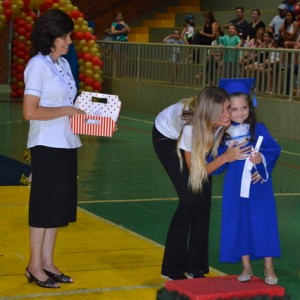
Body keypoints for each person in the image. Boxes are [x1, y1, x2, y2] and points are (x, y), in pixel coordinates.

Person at [152, 87, 251, 280]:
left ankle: (195, 266)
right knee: (189, 201)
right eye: (222, 111)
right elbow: (196, 171)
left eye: (228, 108)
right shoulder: (192, 128)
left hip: (199, 136)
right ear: (209, 112)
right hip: (167, 137)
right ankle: (172, 268)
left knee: (203, 201)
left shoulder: (224, 119)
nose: (227, 114)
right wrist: (225, 158)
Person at [22, 9, 86, 288]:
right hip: (46, 145)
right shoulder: (37, 65)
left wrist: (99, 121)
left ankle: (47, 262)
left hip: (67, 142)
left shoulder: (62, 64)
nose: (69, 41)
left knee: (57, 207)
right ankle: (34, 265)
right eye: (65, 35)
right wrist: (66, 109)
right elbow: (30, 112)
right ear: (52, 37)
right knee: (43, 207)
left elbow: (72, 109)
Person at [218, 78, 281, 286]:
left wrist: (260, 159)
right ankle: (246, 266)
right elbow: (216, 162)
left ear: (250, 106)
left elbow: (273, 150)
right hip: (235, 185)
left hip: (258, 184)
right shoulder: (223, 133)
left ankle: (268, 266)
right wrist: (227, 155)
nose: (239, 113)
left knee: (264, 222)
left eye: (243, 108)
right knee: (239, 222)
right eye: (233, 109)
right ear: (226, 109)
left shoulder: (259, 129)